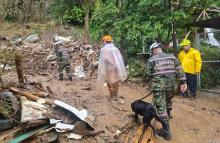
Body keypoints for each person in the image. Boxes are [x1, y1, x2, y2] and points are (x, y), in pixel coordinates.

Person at [144, 42, 187, 140]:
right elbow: (180, 70)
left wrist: (149, 82)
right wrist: (183, 82)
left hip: (159, 88)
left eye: (152, 51)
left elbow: (148, 75)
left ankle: (166, 132)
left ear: (154, 50)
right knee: (168, 100)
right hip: (172, 87)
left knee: (160, 107)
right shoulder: (173, 58)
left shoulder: (151, 60)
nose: (152, 52)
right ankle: (168, 114)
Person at [98, 35, 127, 101]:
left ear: (105, 41)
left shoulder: (104, 49)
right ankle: (116, 95)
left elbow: (105, 59)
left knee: (110, 82)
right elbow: (119, 59)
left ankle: (112, 96)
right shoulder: (115, 48)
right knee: (116, 81)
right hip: (116, 68)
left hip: (109, 68)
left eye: (103, 41)